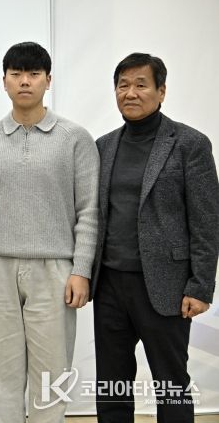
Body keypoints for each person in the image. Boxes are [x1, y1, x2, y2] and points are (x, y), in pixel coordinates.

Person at [0, 42, 99, 422]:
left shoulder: (75, 138)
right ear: (4, 81)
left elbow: (89, 210)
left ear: (48, 80)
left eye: (34, 74)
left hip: (56, 270)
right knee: (1, 375)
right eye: (17, 74)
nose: (25, 81)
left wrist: (81, 269)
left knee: (51, 375)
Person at [91, 53, 218, 423]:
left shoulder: (189, 143)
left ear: (161, 91)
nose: (130, 93)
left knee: (171, 383)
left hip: (167, 287)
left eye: (141, 85)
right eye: (123, 85)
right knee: (111, 384)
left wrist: (200, 286)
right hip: (110, 284)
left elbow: (207, 220)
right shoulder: (103, 146)